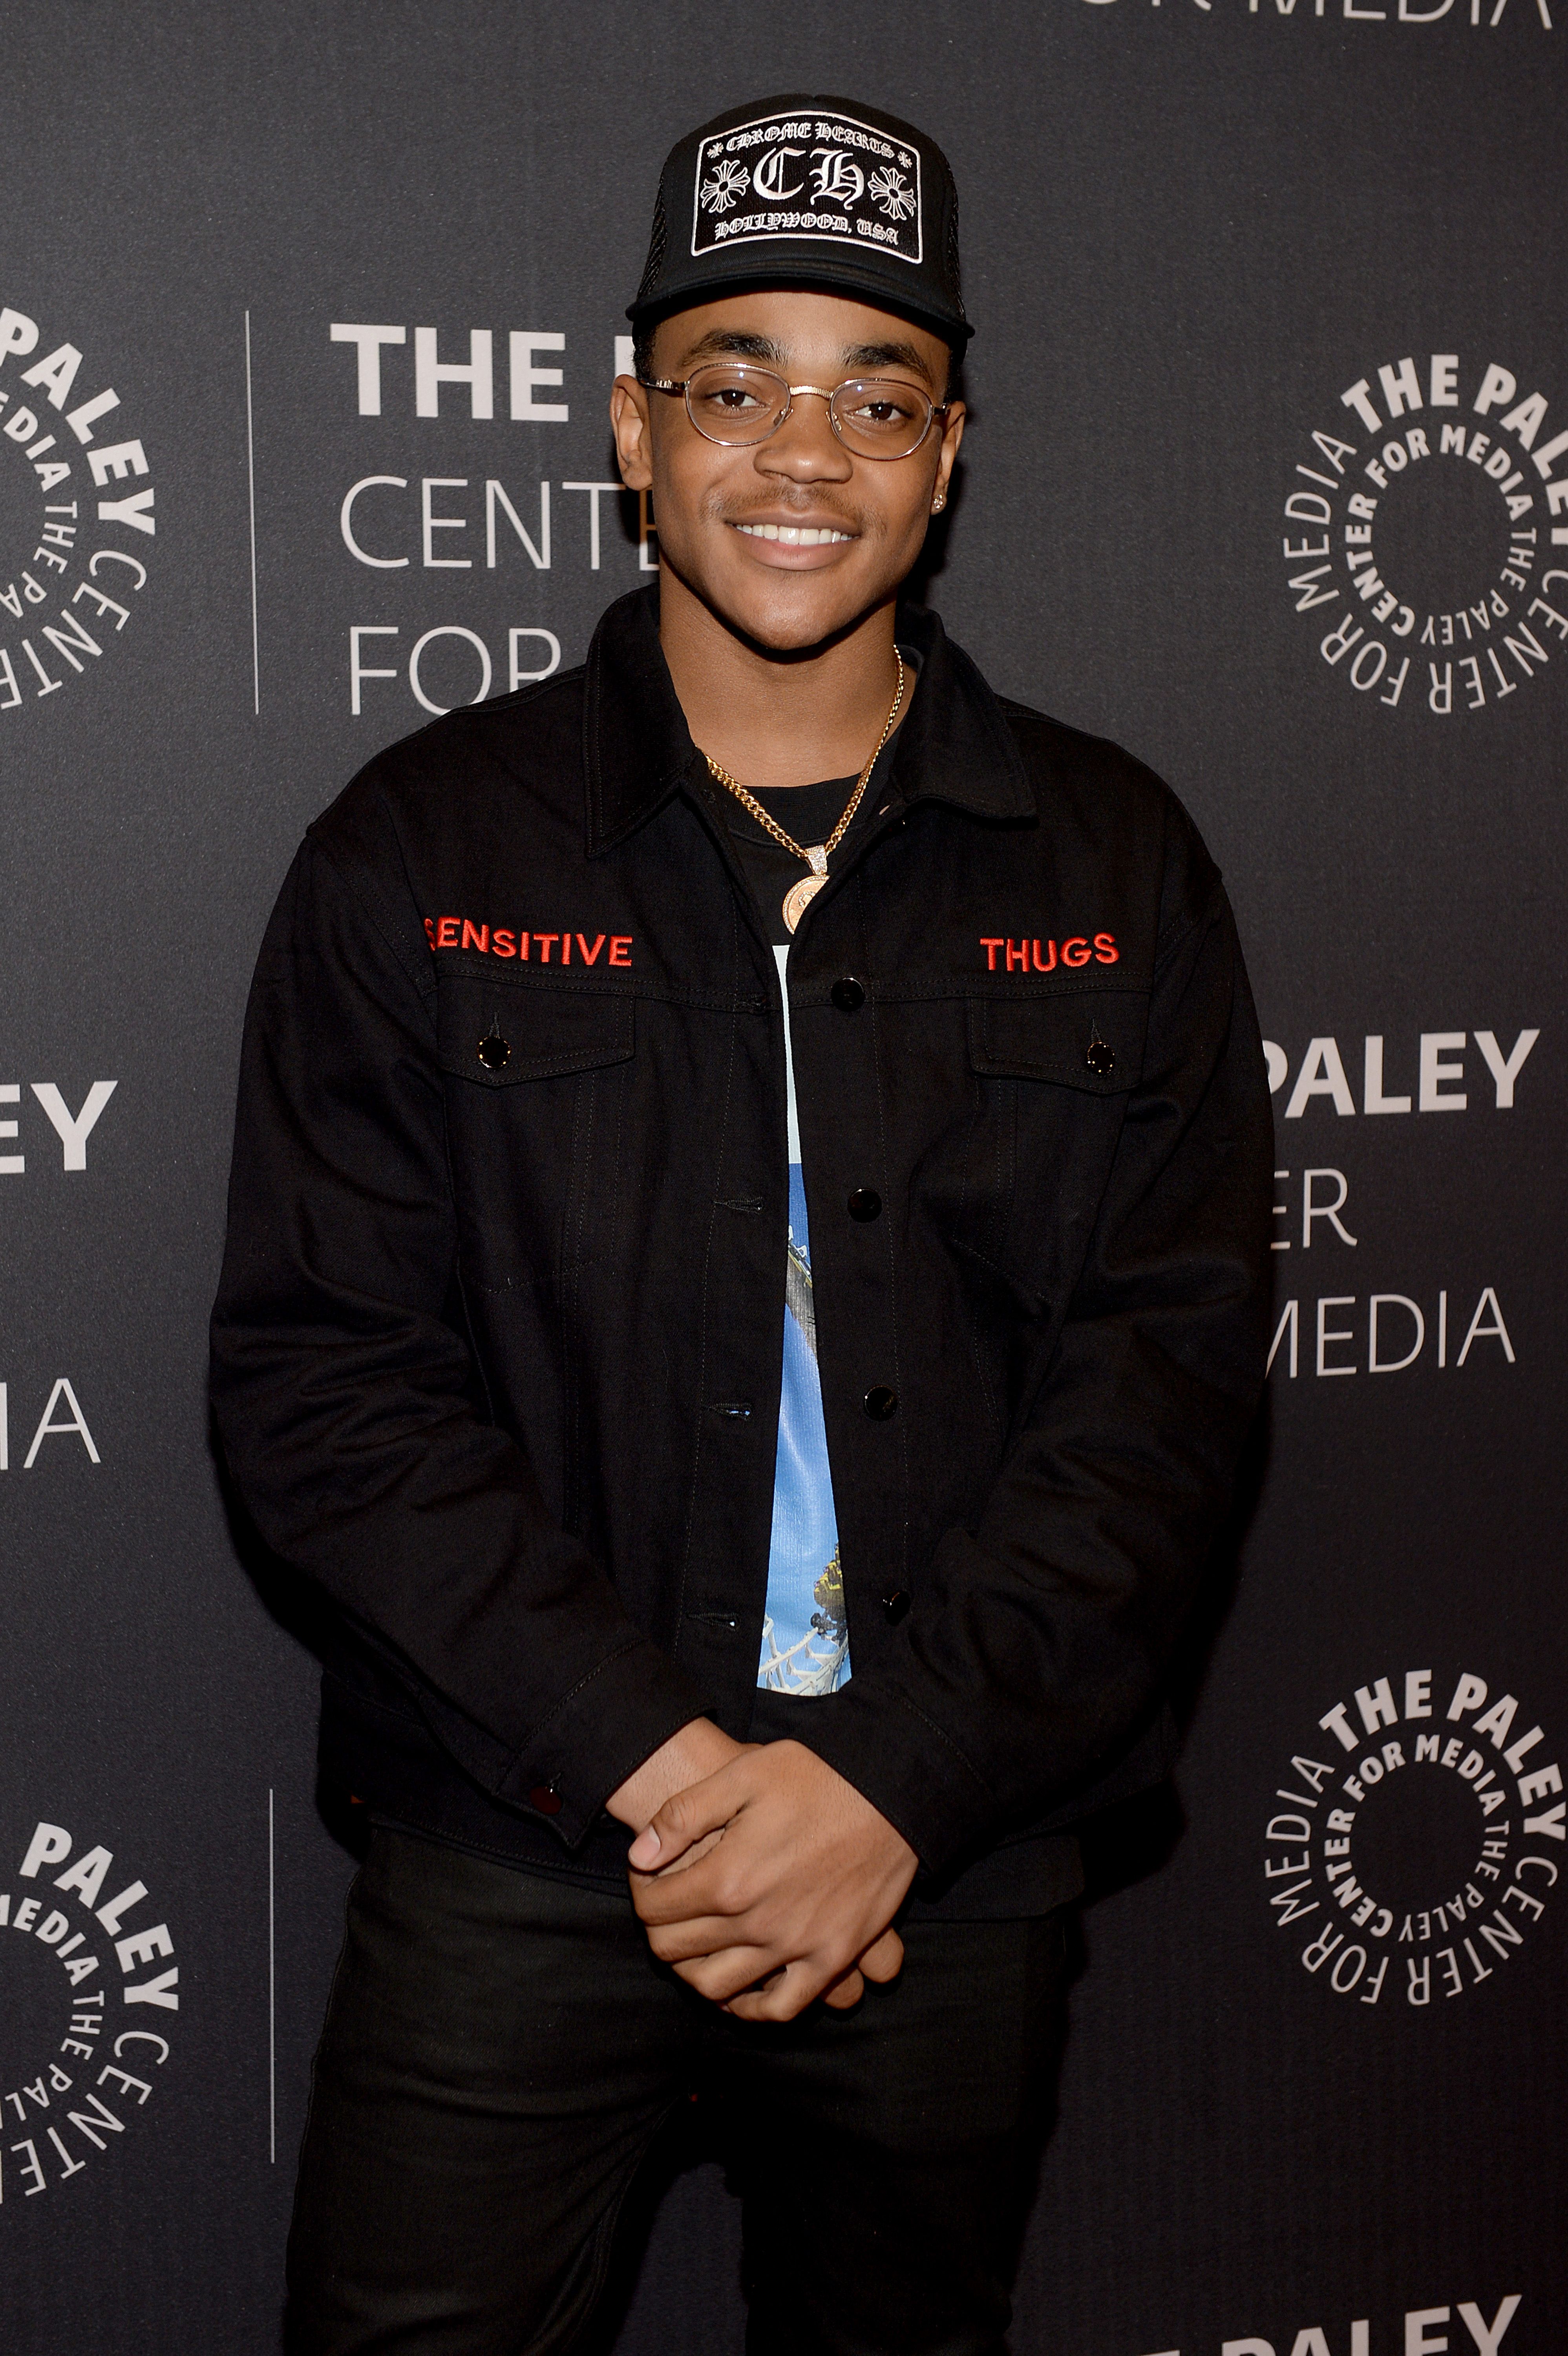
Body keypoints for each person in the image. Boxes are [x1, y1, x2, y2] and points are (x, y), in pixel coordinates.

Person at [211, 90, 1273, 2356]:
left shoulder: (1116, 862)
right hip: (523, 1843)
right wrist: (690, 1783)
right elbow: (326, 1384)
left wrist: (882, 1785)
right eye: (738, 383)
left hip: (947, 1858)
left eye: (876, 396)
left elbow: (1160, 1394)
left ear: (953, 450)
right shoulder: (423, 851)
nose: (806, 453)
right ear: (629, 426)